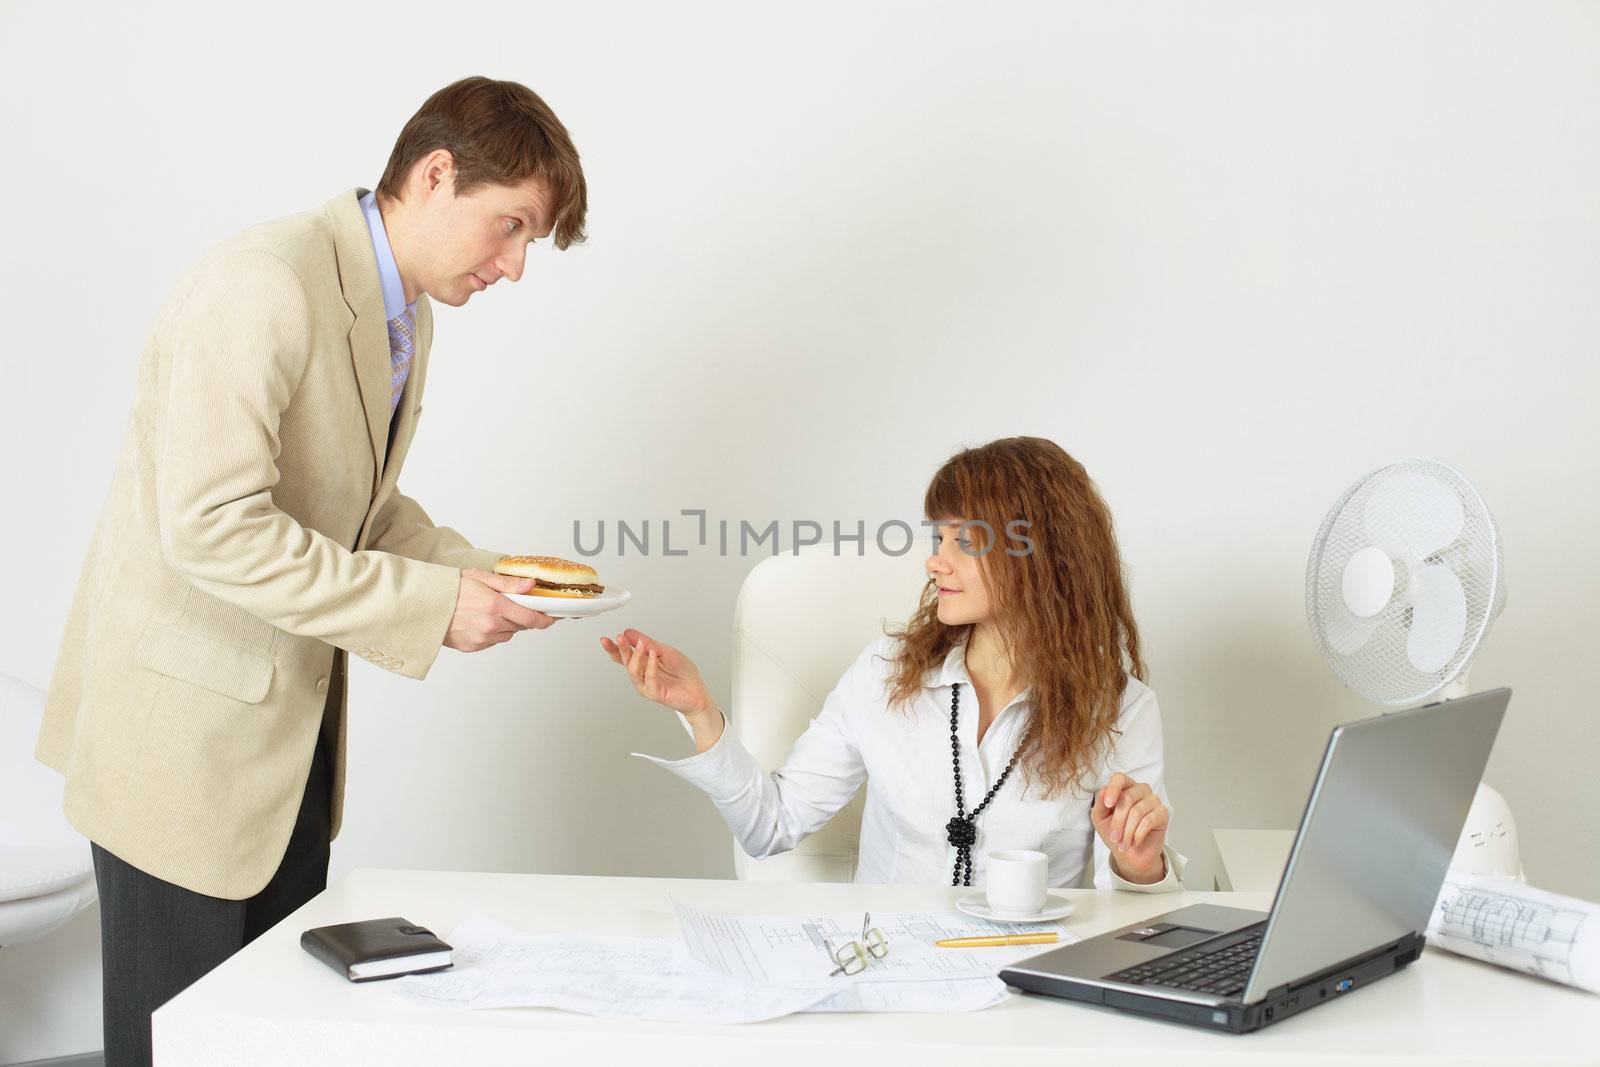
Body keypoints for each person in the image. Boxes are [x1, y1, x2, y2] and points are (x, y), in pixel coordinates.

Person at [33, 76, 586, 1067]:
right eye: (510, 228)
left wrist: (498, 577)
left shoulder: (403, 317)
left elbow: (359, 513)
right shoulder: (263, 284)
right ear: (435, 172)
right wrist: (431, 606)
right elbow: (212, 525)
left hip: (284, 759)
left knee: (268, 1042)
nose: (512, 266)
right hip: (181, 760)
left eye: (528, 243)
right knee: (175, 1049)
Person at [602, 437, 1186, 891]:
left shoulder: (1121, 708)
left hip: (1026, 983)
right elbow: (769, 827)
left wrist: (1140, 864)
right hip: (884, 970)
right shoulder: (885, 672)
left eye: (966, 541)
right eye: (939, 537)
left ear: (1044, 554)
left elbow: (1123, 915)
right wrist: (702, 712)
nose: (936, 562)